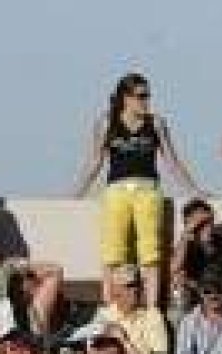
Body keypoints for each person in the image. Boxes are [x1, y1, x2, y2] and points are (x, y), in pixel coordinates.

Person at [74, 72, 208, 308]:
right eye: (140, 96)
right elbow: (96, 161)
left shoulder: (156, 123)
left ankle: (152, 307)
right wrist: (76, 193)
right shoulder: (107, 122)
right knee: (113, 252)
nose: (146, 101)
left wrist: (195, 190)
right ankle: (111, 304)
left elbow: (172, 161)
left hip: (147, 189)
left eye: (148, 96)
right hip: (117, 189)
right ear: (125, 98)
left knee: (151, 253)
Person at [170, 198, 222, 311]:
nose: (207, 228)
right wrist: (185, 237)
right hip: (197, 308)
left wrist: (191, 283)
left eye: (209, 222)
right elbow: (173, 270)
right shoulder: (186, 248)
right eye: (200, 224)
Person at [93, 263, 170, 354]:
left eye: (136, 285)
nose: (134, 290)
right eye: (128, 286)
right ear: (115, 290)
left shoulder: (152, 315)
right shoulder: (104, 316)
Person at [0, 256, 64, 347]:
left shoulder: (35, 311)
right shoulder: (2, 313)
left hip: (31, 340)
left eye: (29, 279)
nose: (23, 286)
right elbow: (0, 276)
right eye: (19, 281)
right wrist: (22, 266)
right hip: (12, 337)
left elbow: (56, 270)